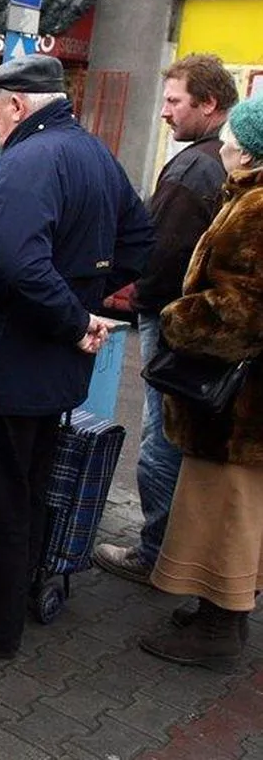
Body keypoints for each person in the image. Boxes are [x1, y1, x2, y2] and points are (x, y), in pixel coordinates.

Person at [0, 54, 154, 659]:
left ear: (17, 104)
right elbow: (137, 241)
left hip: (5, 359)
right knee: (24, 485)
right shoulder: (94, 153)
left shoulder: (29, 160)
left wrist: (73, 317)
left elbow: (17, 260)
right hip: (44, 364)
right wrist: (83, 303)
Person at [95, 55, 236, 585]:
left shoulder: (194, 167)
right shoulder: (222, 161)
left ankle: (155, 552)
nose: (164, 111)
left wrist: (134, 299)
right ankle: (181, 552)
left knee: (162, 436)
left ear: (209, 104)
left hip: (175, 318)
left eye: (175, 101)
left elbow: (160, 253)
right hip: (204, 321)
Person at [138, 95, 263, 672]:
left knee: (226, 514)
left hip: (238, 406)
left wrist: (176, 318)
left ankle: (220, 628)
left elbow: (242, 311)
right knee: (231, 512)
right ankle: (219, 612)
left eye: (233, 139)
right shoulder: (247, 196)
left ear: (249, 150)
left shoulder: (256, 207)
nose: (226, 146)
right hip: (241, 402)